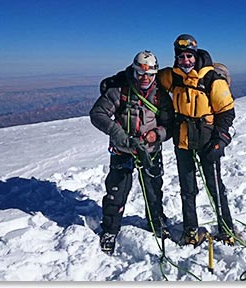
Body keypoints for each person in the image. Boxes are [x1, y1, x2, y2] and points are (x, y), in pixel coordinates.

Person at [90, 50, 174, 255]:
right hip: (123, 150)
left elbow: (170, 124)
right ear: (134, 71)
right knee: (116, 192)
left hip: (150, 150)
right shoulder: (119, 90)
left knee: (153, 189)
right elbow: (97, 113)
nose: (145, 78)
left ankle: (156, 222)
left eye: (150, 74)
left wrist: (157, 134)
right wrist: (119, 135)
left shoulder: (160, 94)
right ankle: (110, 229)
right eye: (140, 73)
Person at [157, 34, 236, 246]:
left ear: (195, 55)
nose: (186, 61)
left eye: (189, 56)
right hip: (183, 141)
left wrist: (220, 140)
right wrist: (118, 79)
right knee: (187, 188)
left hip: (207, 141)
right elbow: (145, 75)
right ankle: (190, 229)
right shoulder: (172, 76)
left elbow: (226, 112)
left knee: (215, 186)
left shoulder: (211, 79)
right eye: (181, 57)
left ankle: (226, 228)